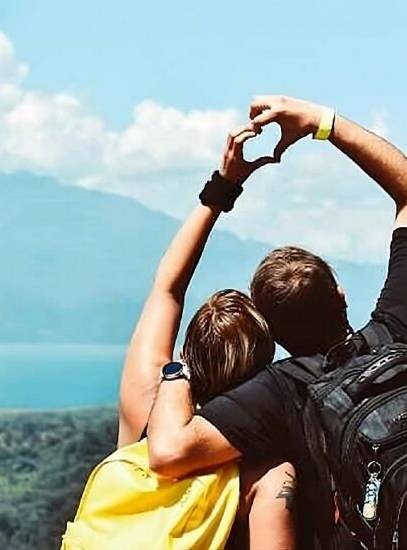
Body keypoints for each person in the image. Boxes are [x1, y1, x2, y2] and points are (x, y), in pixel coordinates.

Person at [145, 95, 407, 547]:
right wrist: (320, 122)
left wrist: (178, 370)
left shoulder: (281, 393)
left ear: (271, 329)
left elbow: (168, 451)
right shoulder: (397, 328)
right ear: (341, 296)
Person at [118, 124, 297, 549]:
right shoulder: (265, 470)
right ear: (262, 369)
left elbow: (167, 287)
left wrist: (223, 188)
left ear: (187, 351)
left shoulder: (145, 402)